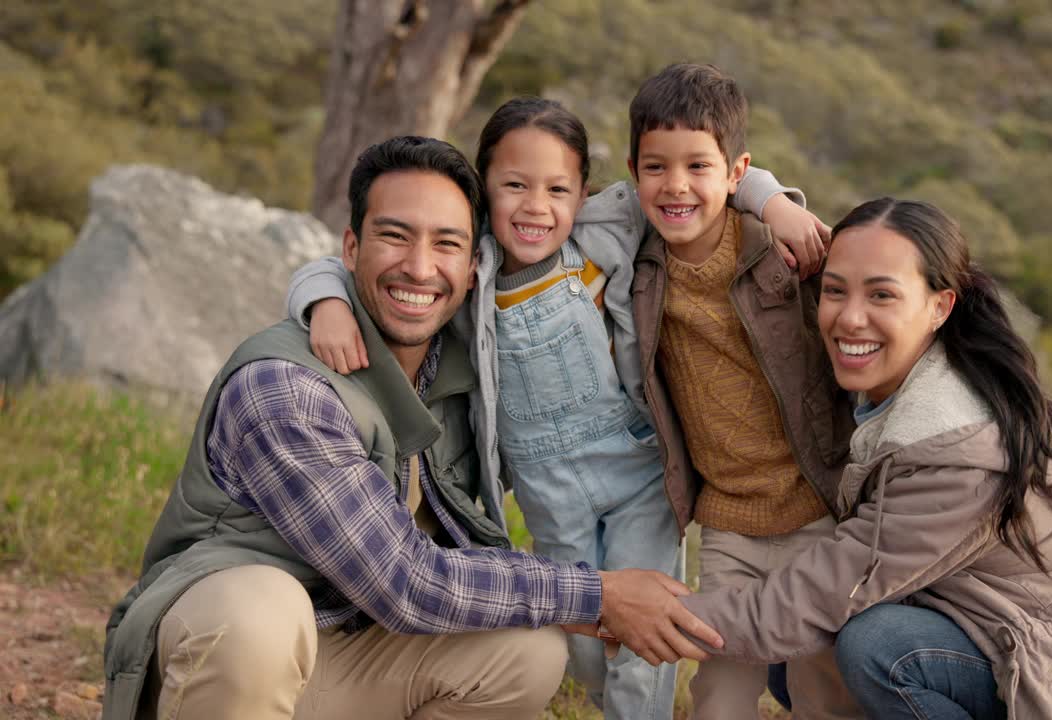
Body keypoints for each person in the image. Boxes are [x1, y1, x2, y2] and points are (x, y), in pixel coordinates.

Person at [101, 136, 724, 720]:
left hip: (344, 650)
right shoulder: (284, 389)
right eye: (395, 237)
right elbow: (403, 581)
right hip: (226, 657)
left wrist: (770, 204)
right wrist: (601, 593)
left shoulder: (461, 356)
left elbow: (683, 187)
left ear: (474, 262)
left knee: (527, 652)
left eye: (447, 244)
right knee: (262, 611)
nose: (420, 269)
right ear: (351, 248)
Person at [284, 97, 824, 720]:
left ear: (583, 194)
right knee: (585, 640)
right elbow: (331, 266)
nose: (536, 206)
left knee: (646, 634)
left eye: (557, 189)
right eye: (514, 185)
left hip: (634, 472)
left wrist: (774, 201)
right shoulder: (469, 270)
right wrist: (325, 301)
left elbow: (695, 171)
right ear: (484, 193)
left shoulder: (601, 234)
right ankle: (604, 701)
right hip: (547, 491)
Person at [681, 197, 1052, 719]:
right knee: (795, 661)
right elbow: (700, 166)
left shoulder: (955, 446)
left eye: (882, 295)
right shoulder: (892, 377)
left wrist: (641, 610)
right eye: (835, 291)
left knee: (872, 646)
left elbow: (817, 597)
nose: (850, 318)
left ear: (940, 306)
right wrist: (770, 200)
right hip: (999, 628)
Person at [625, 63, 859, 719]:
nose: (675, 186)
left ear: (734, 173)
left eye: (698, 168)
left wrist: (775, 201)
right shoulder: (633, 257)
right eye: (655, 169)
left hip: (816, 511)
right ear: (633, 171)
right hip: (729, 526)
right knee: (719, 696)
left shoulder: (779, 255)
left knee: (824, 692)